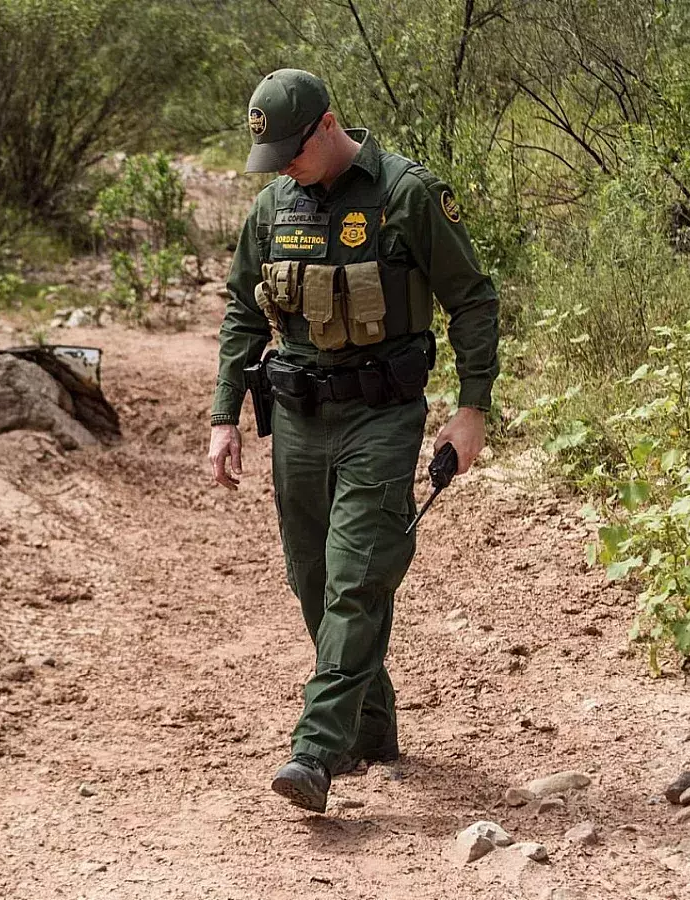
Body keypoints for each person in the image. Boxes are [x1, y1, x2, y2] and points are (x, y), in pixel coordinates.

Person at [206, 69, 501, 813]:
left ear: (329, 125)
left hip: (381, 415)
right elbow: (244, 311)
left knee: (356, 576)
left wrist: (472, 409)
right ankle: (372, 729)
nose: (284, 173)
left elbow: (471, 300)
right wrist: (223, 417)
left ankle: (316, 750)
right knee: (313, 582)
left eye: (294, 155)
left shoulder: (407, 194)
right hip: (299, 420)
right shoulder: (275, 205)